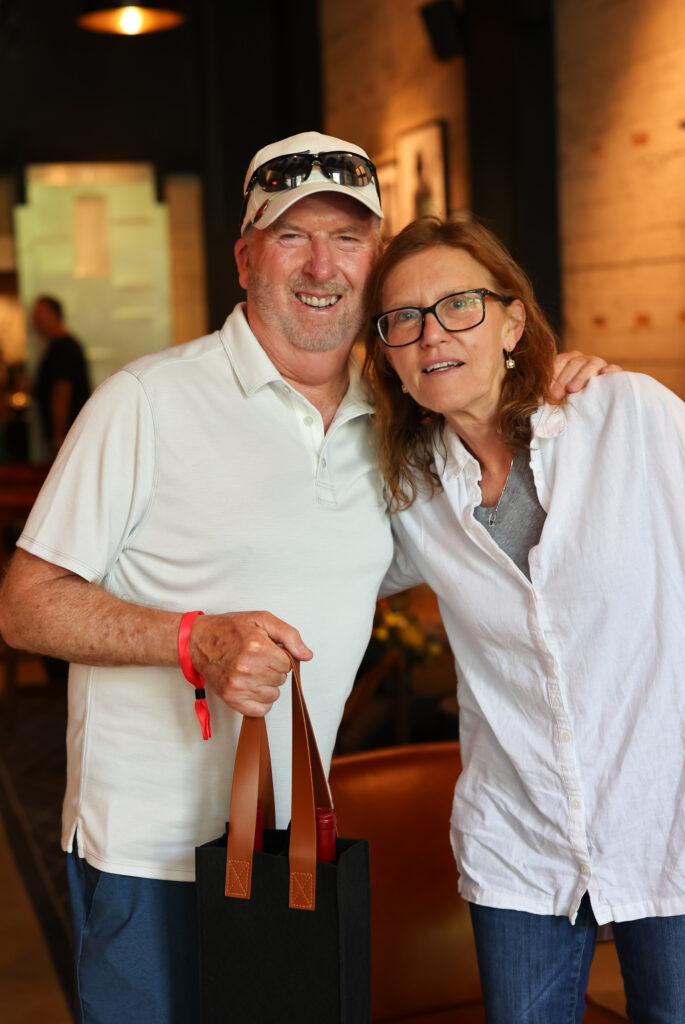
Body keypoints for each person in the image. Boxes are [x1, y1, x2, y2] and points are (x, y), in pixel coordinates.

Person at [0, 132, 611, 1024]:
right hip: (148, 857)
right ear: (245, 257)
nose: (322, 266)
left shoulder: (397, 424)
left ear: (375, 262)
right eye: (292, 235)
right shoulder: (146, 401)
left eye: (348, 239)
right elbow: (25, 606)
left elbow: (487, 523)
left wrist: (567, 394)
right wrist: (192, 639)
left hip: (289, 853)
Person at [364, 215, 685, 1023]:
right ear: (388, 356)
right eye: (403, 319)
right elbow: (323, 577)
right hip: (517, 832)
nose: (431, 334)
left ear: (511, 322)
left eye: (459, 305)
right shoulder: (410, 496)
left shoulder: (626, 417)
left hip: (666, 807)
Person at [32, 295, 91, 457]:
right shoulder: (59, 345)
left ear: (54, 315)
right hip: (70, 434)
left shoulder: (63, 347)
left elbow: (62, 391)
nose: (35, 322)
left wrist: (59, 436)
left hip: (68, 435)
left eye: (39, 316)